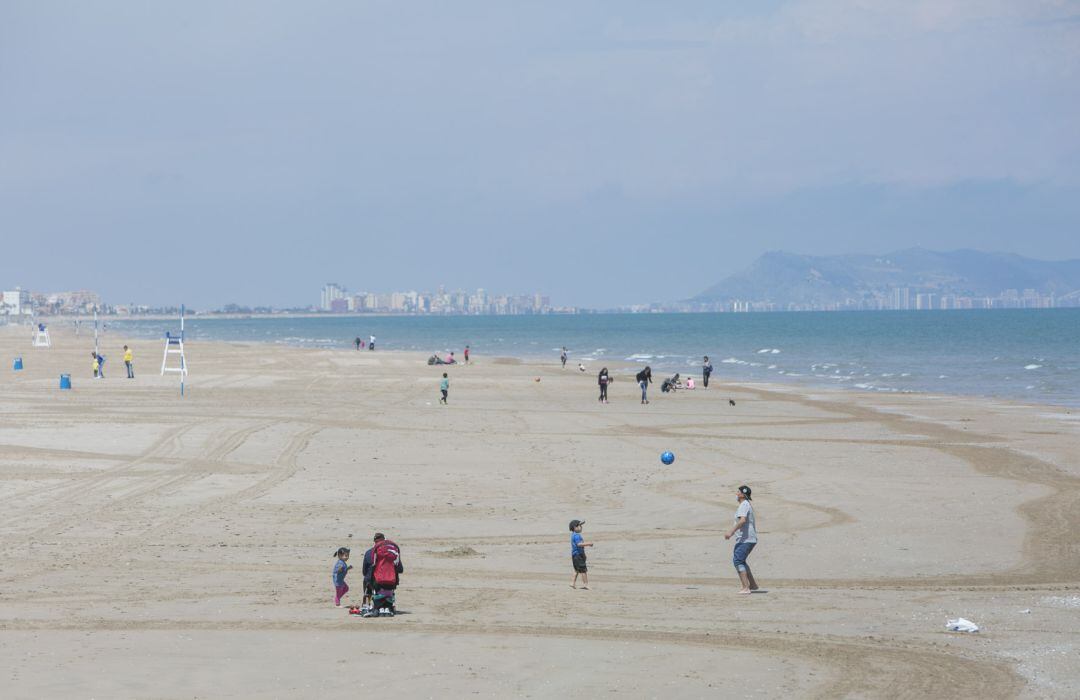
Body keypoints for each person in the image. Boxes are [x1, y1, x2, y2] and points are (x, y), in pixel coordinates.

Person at [724, 485, 759, 594]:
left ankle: (745, 587)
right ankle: (752, 585)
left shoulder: (744, 505)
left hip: (746, 539)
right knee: (741, 560)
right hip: (748, 539)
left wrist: (731, 532)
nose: (736, 493)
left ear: (742, 494)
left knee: (738, 560)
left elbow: (742, 520)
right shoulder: (746, 504)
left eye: (738, 491)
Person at [362, 533, 403, 616]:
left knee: (366, 579)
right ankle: (389, 605)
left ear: (375, 542)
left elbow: (364, 571)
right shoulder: (393, 552)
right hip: (391, 583)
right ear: (385, 540)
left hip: (376, 583)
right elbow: (400, 570)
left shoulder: (369, 552)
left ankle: (367, 604)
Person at [569, 519, 593, 589]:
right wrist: (589, 543)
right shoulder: (577, 536)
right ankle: (586, 584)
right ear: (575, 527)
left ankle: (572, 583)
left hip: (575, 555)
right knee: (583, 570)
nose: (581, 527)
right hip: (578, 555)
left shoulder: (573, 535)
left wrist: (584, 555)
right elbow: (579, 544)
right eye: (579, 526)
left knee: (577, 570)